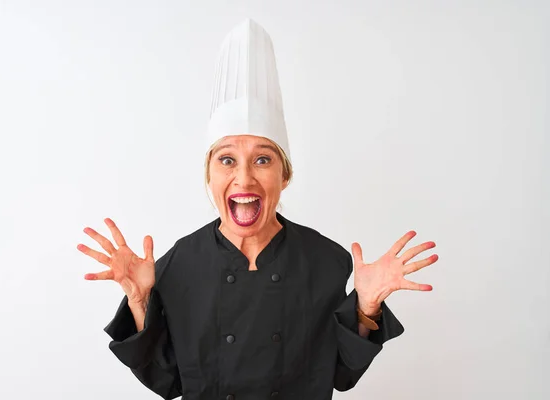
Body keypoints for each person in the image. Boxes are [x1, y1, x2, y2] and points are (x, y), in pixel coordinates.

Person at [77, 19, 438, 400]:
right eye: (227, 160)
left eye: (263, 160)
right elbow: (168, 382)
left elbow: (341, 375)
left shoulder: (324, 260)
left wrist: (366, 306)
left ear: (285, 175)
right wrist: (138, 300)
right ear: (209, 176)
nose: (244, 179)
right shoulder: (179, 263)